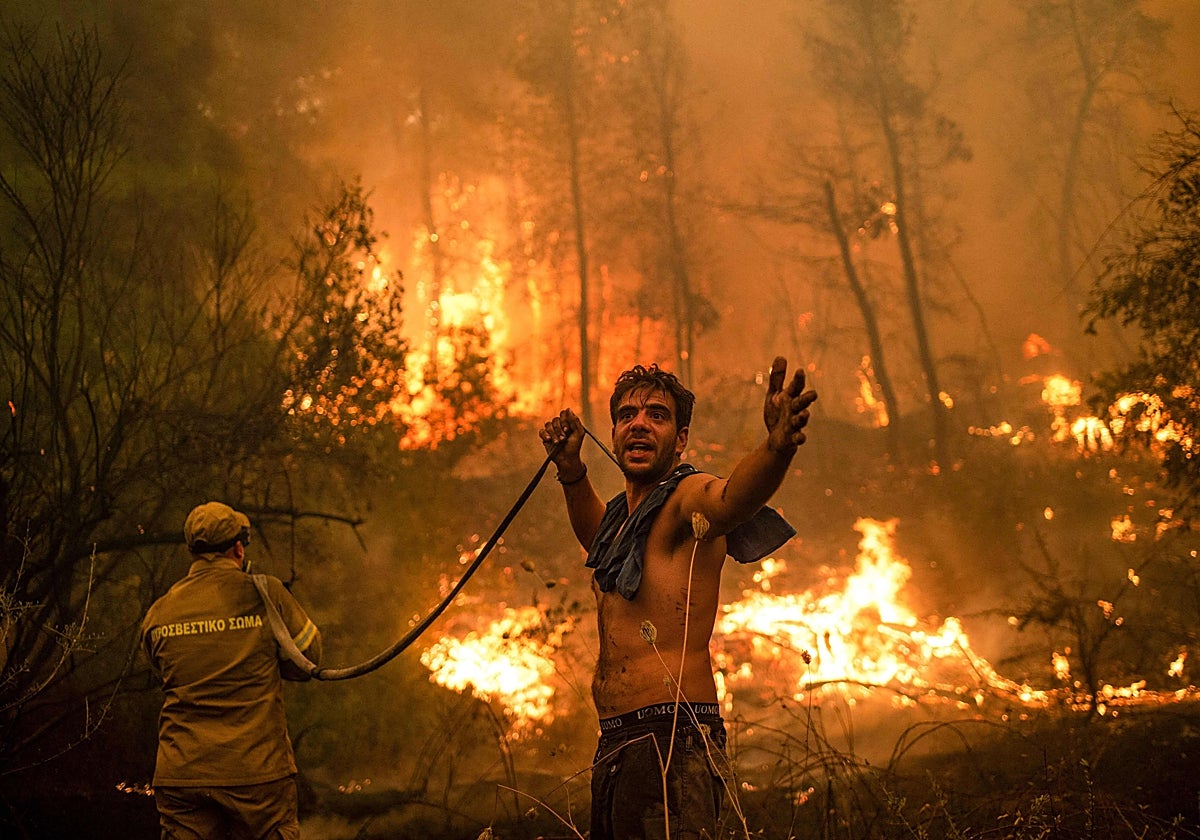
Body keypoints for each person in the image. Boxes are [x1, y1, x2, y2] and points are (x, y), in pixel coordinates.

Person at [539, 356, 816, 839]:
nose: (639, 423)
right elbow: (597, 542)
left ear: (681, 438)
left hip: (673, 741)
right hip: (618, 743)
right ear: (615, 430)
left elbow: (730, 500)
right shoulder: (620, 524)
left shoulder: (685, 499)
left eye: (657, 415)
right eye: (627, 415)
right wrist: (571, 470)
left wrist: (776, 449)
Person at [142, 501, 322, 840]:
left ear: (192, 552)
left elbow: (161, 673)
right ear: (238, 548)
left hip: (182, 775)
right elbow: (309, 659)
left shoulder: (159, 611)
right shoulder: (266, 593)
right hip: (257, 776)